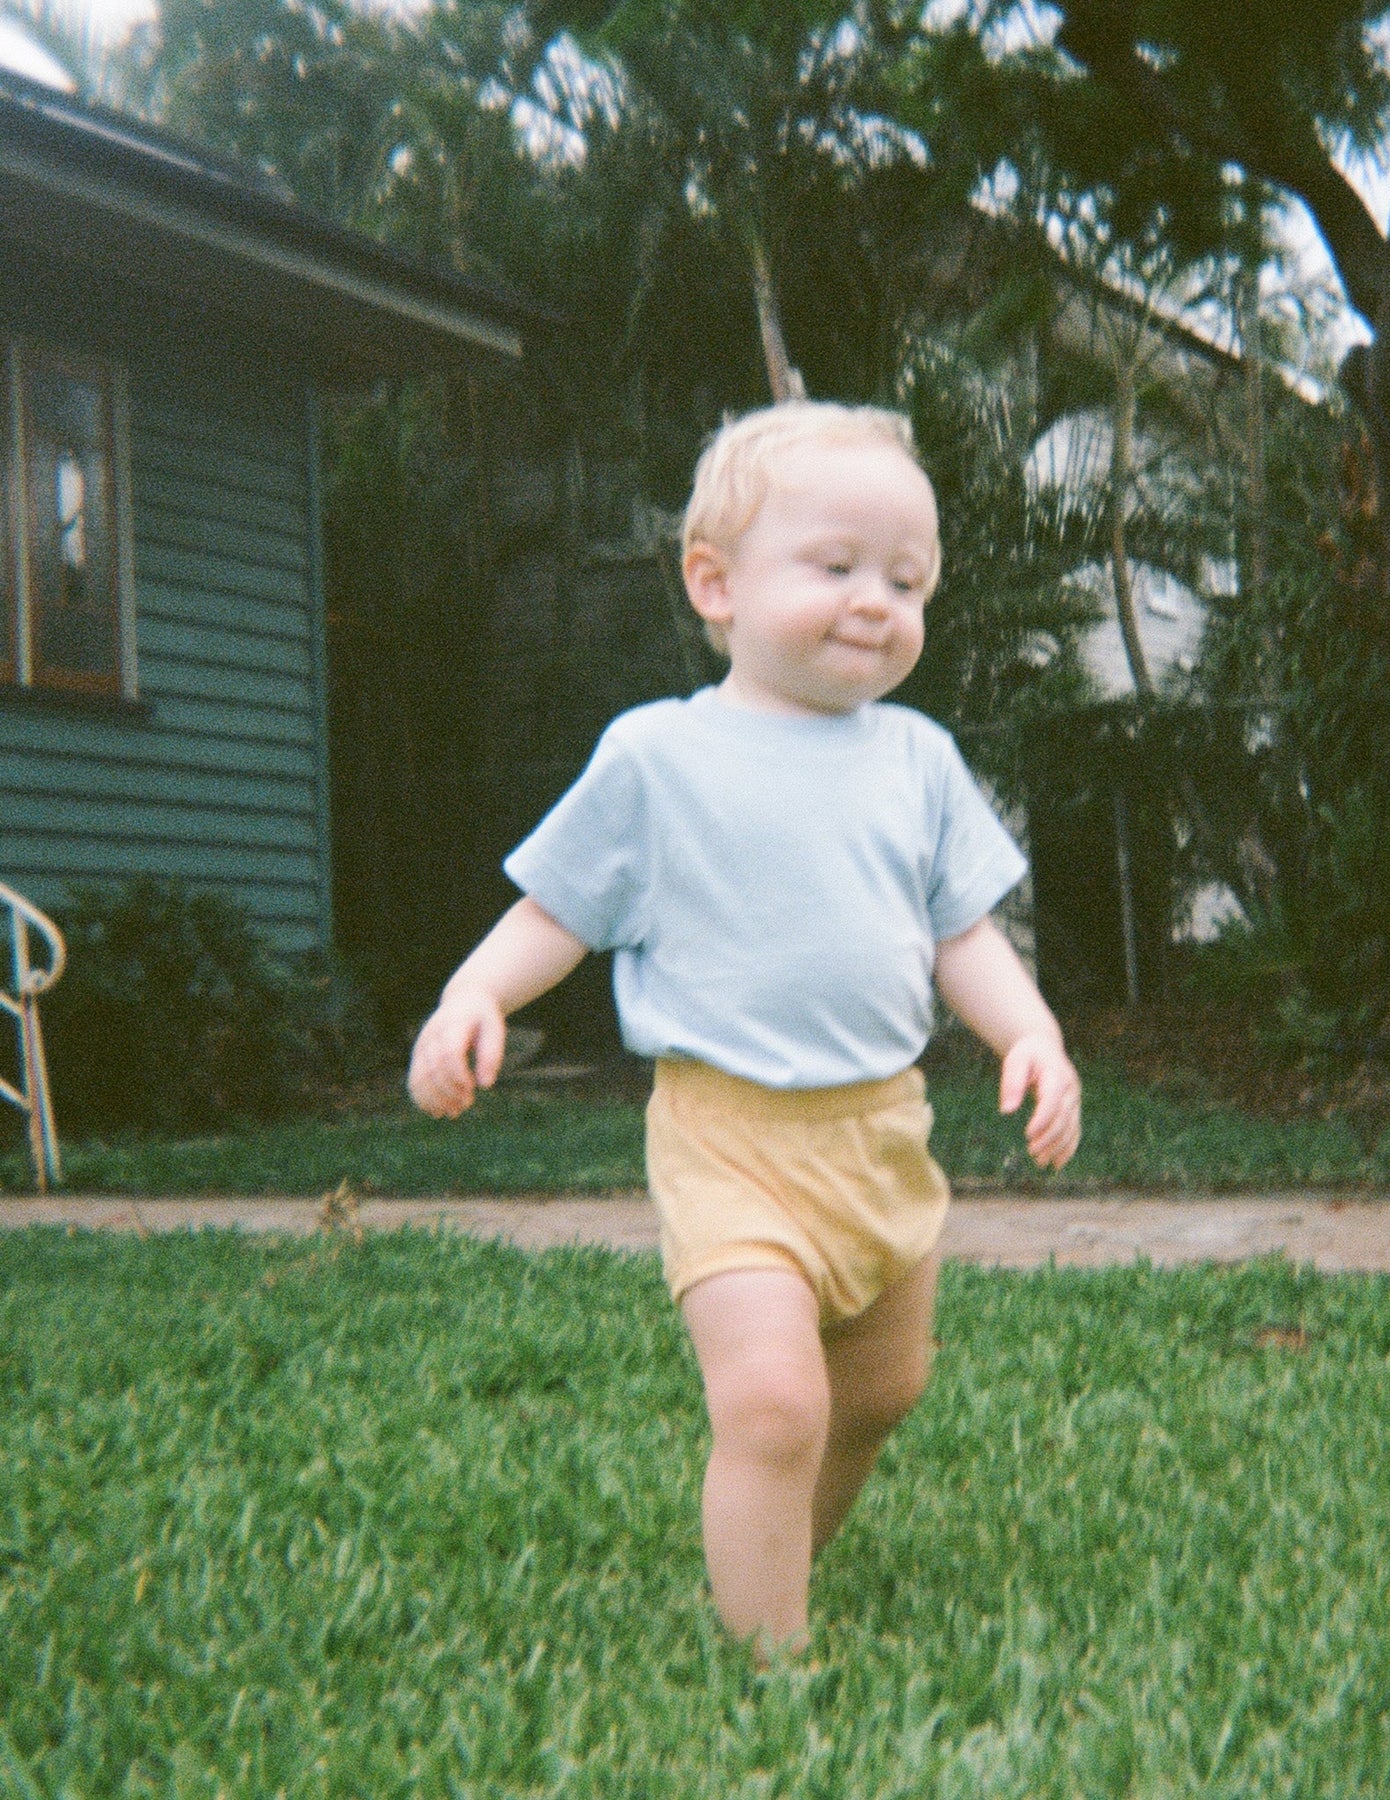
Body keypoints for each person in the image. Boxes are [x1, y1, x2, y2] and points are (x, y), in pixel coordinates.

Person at [407, 401, 1082, 1659]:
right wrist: (474, 997)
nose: (875, 602)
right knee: (773, 1405)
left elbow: (962, 935)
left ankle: (776, 1551)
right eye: (836, 567)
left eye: (906, 581)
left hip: (881, 1135)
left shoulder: (918, 761)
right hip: (728, 1140)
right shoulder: (659, 757)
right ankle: (769, 1663)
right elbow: (559, 909)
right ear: (715, 583)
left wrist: (1029, 1034)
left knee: (879, 1393)